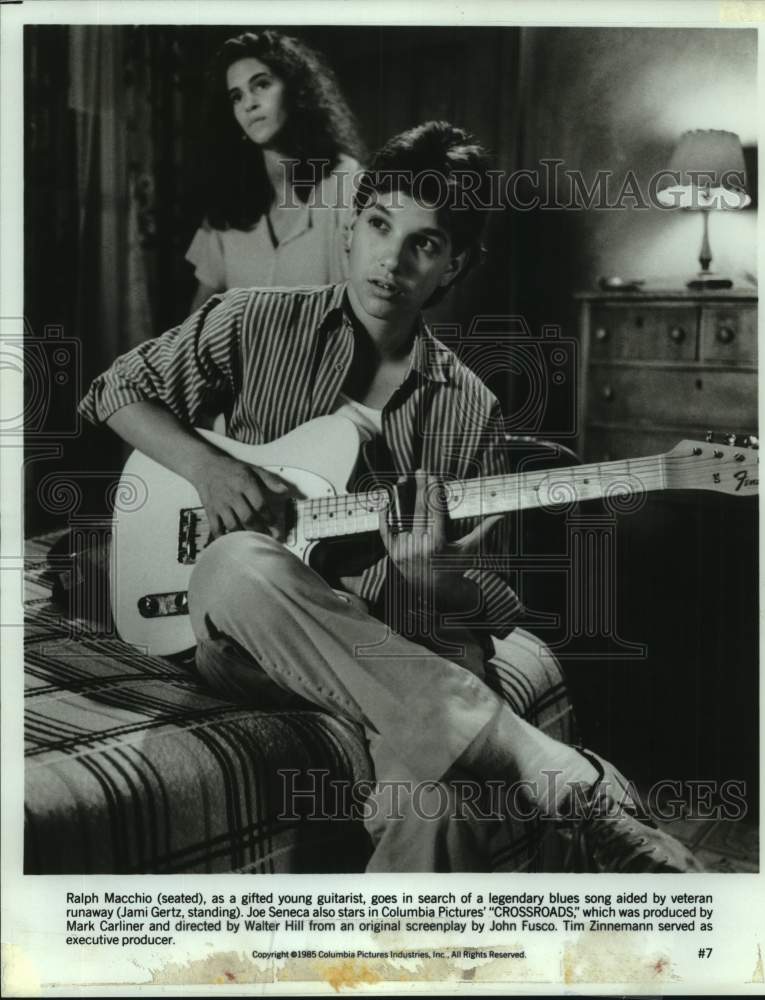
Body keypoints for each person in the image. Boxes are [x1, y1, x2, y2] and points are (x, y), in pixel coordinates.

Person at [79, 121, 701, 874]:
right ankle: (556, 773)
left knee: (446, 806)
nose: (392, 259)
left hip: (392, 647)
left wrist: (428, 576)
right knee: (241, 561)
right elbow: (113, 392)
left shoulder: (471, 409)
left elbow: (482, 608)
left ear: (453, 267)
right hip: (239, 625)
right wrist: (209, 470)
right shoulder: (254, 320)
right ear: (352, 229)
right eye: (379, 225)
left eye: (425, 244)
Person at [186, 30, 364, 312]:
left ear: (295, 90)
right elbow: (195, 326)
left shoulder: (347, 183)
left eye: (261, 85)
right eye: (236, 96)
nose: (249, 104)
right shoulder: (230, 200)